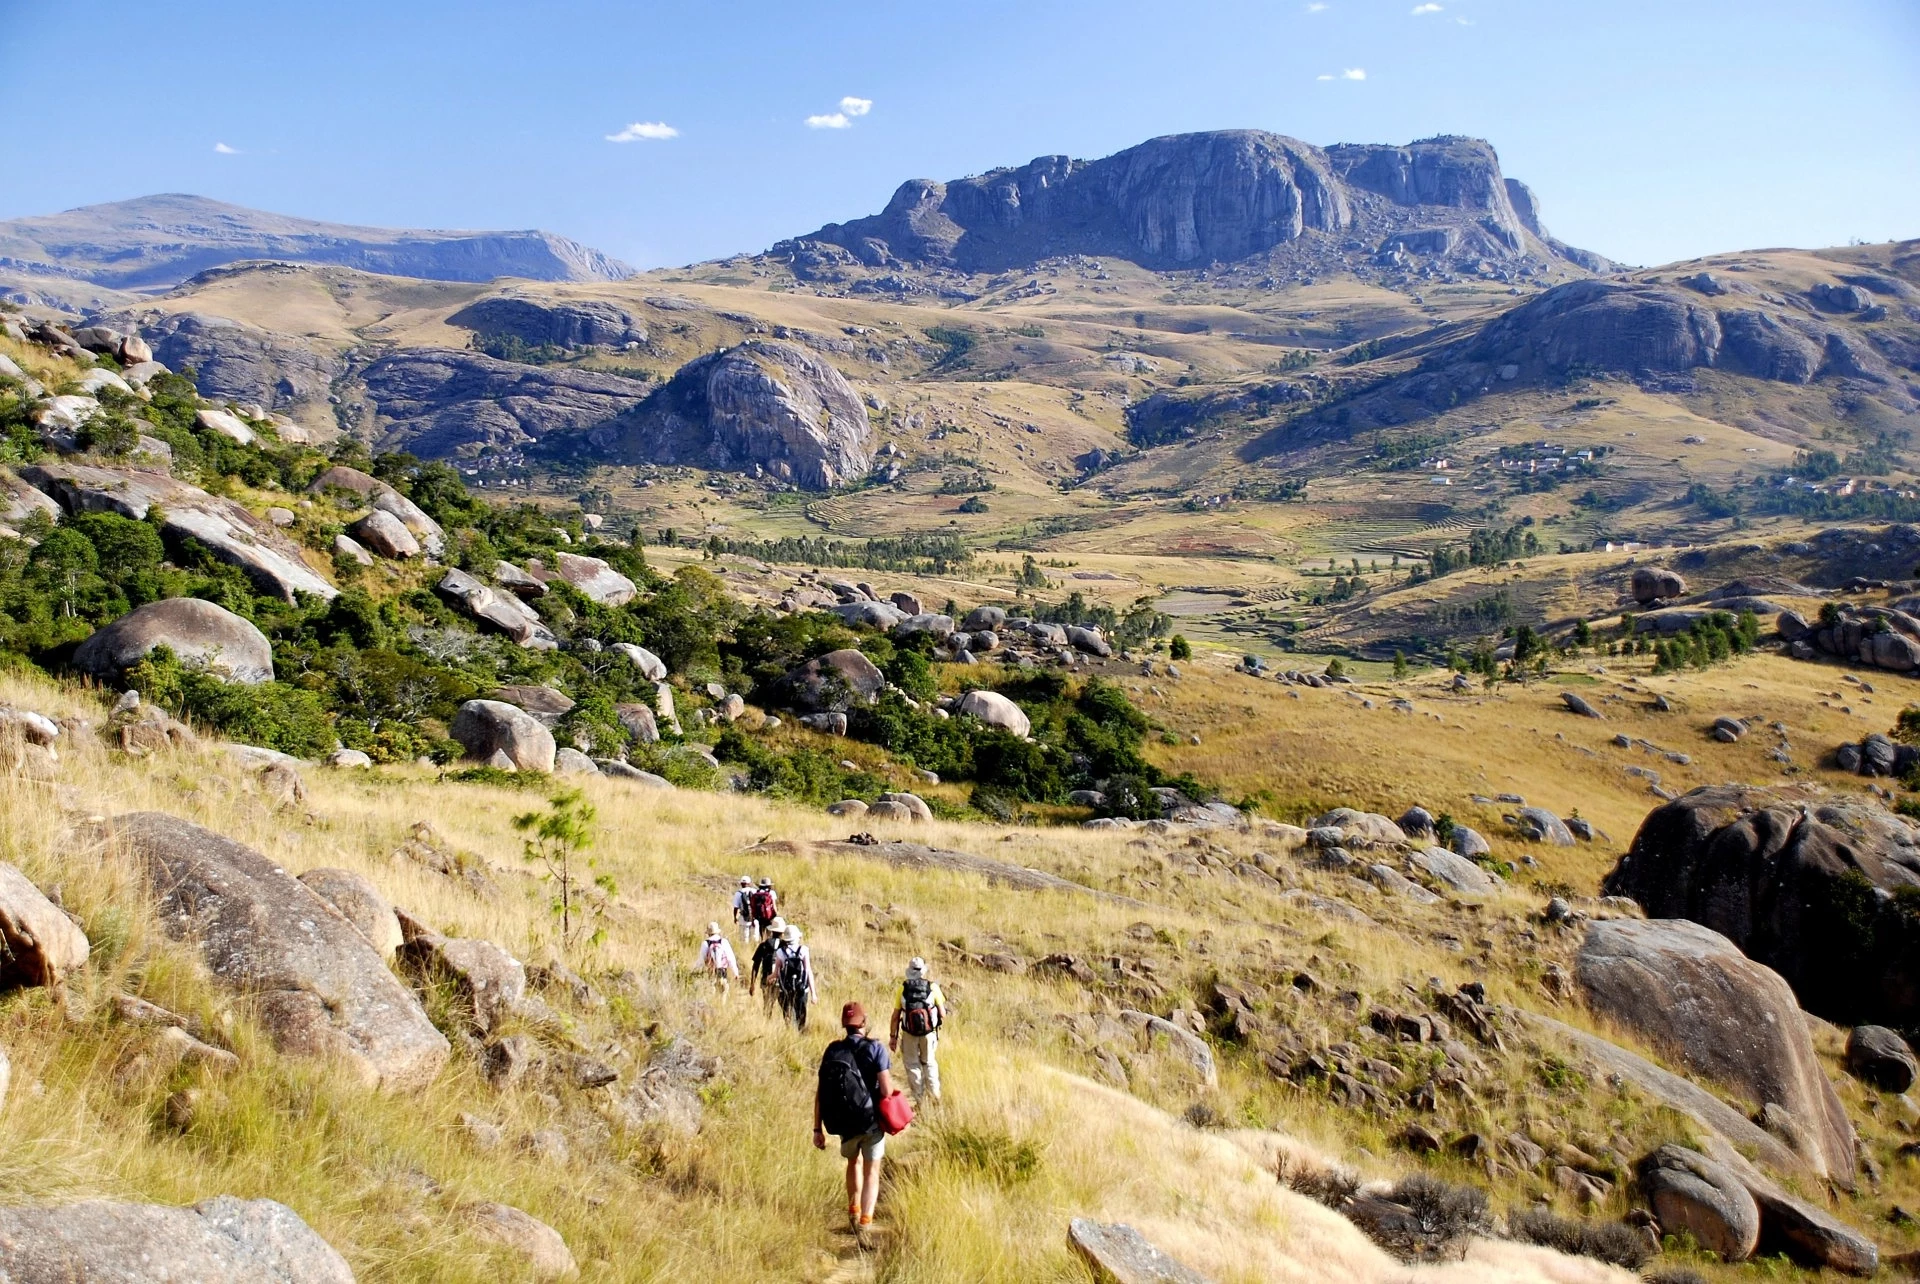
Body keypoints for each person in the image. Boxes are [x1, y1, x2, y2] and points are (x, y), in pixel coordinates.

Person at [814, 1001, 895, 1231]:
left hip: (845, 1121)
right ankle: (865, 1222)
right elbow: (887, 1091)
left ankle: (853, 1211)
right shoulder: (876, 1049)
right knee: (872, 1170)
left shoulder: (833, 1050)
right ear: (863, 1022)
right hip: (870, 1122)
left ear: (844, 1024)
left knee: (853, 1163)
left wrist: (817, 1129)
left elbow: (820, 1093)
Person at [888, 956, 945, 1106]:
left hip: (909, 1034)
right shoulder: (932, 987)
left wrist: (893, 1037)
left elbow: (895, 1017)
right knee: (929, 1063)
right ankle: (935, 1097)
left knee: (912, 1065)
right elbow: (943, 1014)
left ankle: (920, 1101)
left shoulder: (903, 988)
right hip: (928, 1033)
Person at [774, 922, 817, 1031]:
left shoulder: (780, 952)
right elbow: (808, 971)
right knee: (801, 1013)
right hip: (801, 987)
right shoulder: (803, 950)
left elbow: (776, 972)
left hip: (786, 988)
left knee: (787, 1013)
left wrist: (769, 978)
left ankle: (789, 1032)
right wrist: (813, 994)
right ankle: (800, 1032)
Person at [749, 915, 786, 1011]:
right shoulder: (785, 946)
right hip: (782, 981)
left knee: (767, 1006)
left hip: (766, 978)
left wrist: (752, 984)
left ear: (772, 931)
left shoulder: (764, 945)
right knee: (785, 1008)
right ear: (782, 932)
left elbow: (756, 965)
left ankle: (767, 1023)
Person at [697, 922, 738, 999]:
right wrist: (735, 972)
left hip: (711, 973)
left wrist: (696, 972)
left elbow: (701, 960)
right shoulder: (724, 942)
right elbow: (731, 958)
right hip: (722, 972)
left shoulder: (705, 943)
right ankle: (722, 1009)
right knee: (723, 994)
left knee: (712, 994)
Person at [749, 877, 779, 942]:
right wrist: (776, 915)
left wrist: (752, 918)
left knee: (761, 932)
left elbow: (753, 906)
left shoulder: (756, 892)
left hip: (759, 916)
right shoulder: (772, 893)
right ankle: (769, 943)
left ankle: (762, 942)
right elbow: (774, 906)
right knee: (769, 932)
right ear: (769, 885)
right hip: (769, 916)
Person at [731, 875, 757, 945]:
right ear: (749, 883)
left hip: (743, 917)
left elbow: (736, 907)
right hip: (755, 917)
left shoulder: (738, 893)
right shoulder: (755, 891)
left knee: (744, 938)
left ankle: (745, 949)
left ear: (741, 884)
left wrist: (735, 918)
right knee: (754, 936)